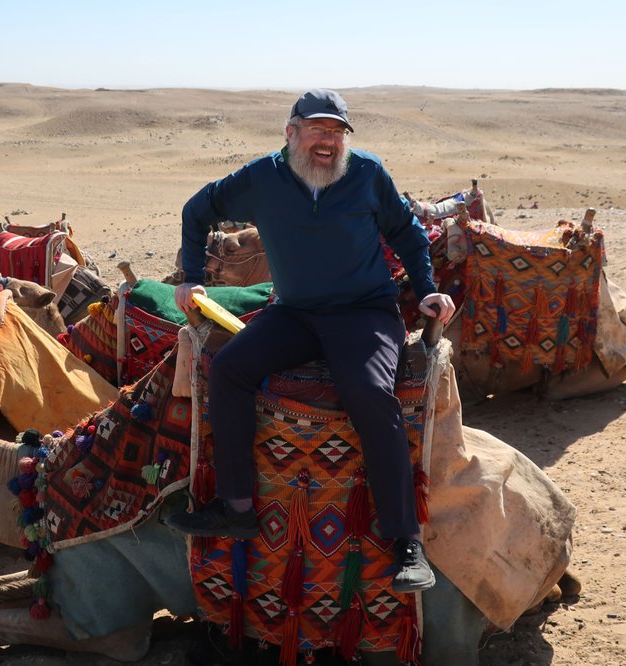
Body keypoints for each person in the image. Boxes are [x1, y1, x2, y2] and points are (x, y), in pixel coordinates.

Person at [165, 89, 455, 593]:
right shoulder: (262, 177)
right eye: (318, 129)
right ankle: (236, 508)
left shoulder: (366, 173)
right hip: (295, 312)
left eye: (338, 132)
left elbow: (408, 233)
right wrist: (190, 277)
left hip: (365, 312)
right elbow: (197, 210)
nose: (328, 141)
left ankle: (407, 542)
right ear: (291, 131)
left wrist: (428, 291)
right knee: (230, 369)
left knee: (367, 391)